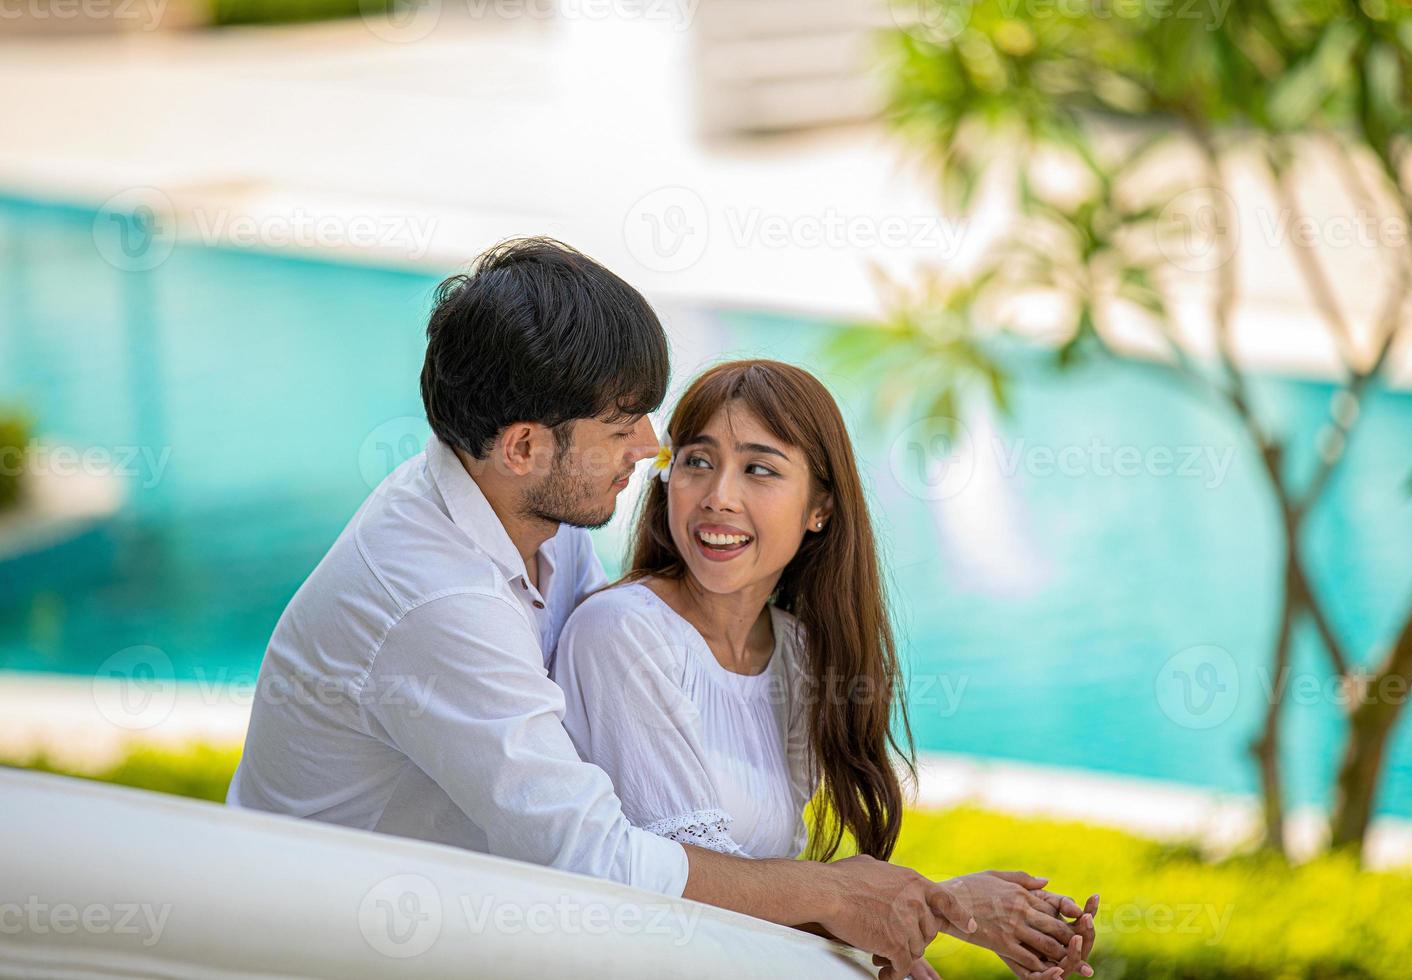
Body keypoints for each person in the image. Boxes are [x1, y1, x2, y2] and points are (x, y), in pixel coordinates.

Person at [228, 237, 1090, 980]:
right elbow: (595, 855)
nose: (652, 449)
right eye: (624, 425)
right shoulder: (435, 598)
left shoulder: (536, 518)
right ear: (525, 446)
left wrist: (922, 906)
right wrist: (848, 894)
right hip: (323, 947)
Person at [554, 359, 1099, 980]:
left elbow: (770, 894)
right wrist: (948, 909)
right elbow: (691, 880)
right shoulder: (624, 633)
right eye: (696, 461)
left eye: (759, 469)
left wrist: (911, 929)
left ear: (820, 508)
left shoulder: (801, 655)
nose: (718, 496)